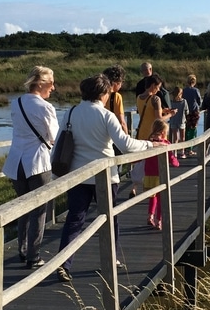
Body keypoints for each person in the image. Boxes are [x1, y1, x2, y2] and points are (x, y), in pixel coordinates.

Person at [55, 74, 153, 282]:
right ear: (103, 94)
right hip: (105, 177)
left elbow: (59, 144)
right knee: (110, 219)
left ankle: (64, 263)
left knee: (74, 219)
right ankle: (112, 258)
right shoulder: (106, 116)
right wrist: (151, 145)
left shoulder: (70, 113)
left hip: (78, 175)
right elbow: (126, 145)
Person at [2, 66, 58, 269]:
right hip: (37, 163)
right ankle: (34, 257)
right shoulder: (46, 107)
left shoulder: (15, 103)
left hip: (16, 162)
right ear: (42, 83)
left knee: (23, 208)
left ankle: (22, 250)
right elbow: (53, 136)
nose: (53, 87)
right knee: (39, 210)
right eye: (51, 83)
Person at [129, 74, 173, 198]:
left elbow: (147, 111)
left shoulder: (139, 97)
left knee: (139, 162)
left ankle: (134, 187)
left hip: (141, 132)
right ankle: (151, 191)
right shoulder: (156, 99)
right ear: (153, 86)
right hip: (153, 134)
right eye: (158, 87)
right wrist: (170, 115)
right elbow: (159, 118)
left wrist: (164, 110)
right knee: (152, 164)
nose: (159, 90)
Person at [143, 119, 179, 231]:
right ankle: (159, 221)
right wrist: (176, 163)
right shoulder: (165, 144)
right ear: (163, 133)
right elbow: (171, 157)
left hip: (148, 173)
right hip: (160, 174)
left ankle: (150, 216)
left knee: (152, 197)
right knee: (161, 198)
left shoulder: (149, 141)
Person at [182, 74, 202, 151]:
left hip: (186, 112)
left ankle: (186, 146)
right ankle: (192, 146)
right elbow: (199, 101)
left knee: (186, 129)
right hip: (194, 111)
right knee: (193, 129)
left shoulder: (184, 90)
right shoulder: (196, 90)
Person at [168, 86, 189, 158]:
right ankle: (182, 152)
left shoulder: (171, 102)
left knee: (175, 138)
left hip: (173, 121)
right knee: (182, 137)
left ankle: (175, 152)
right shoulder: (184, 101)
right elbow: (187, 111)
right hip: (182, 120)